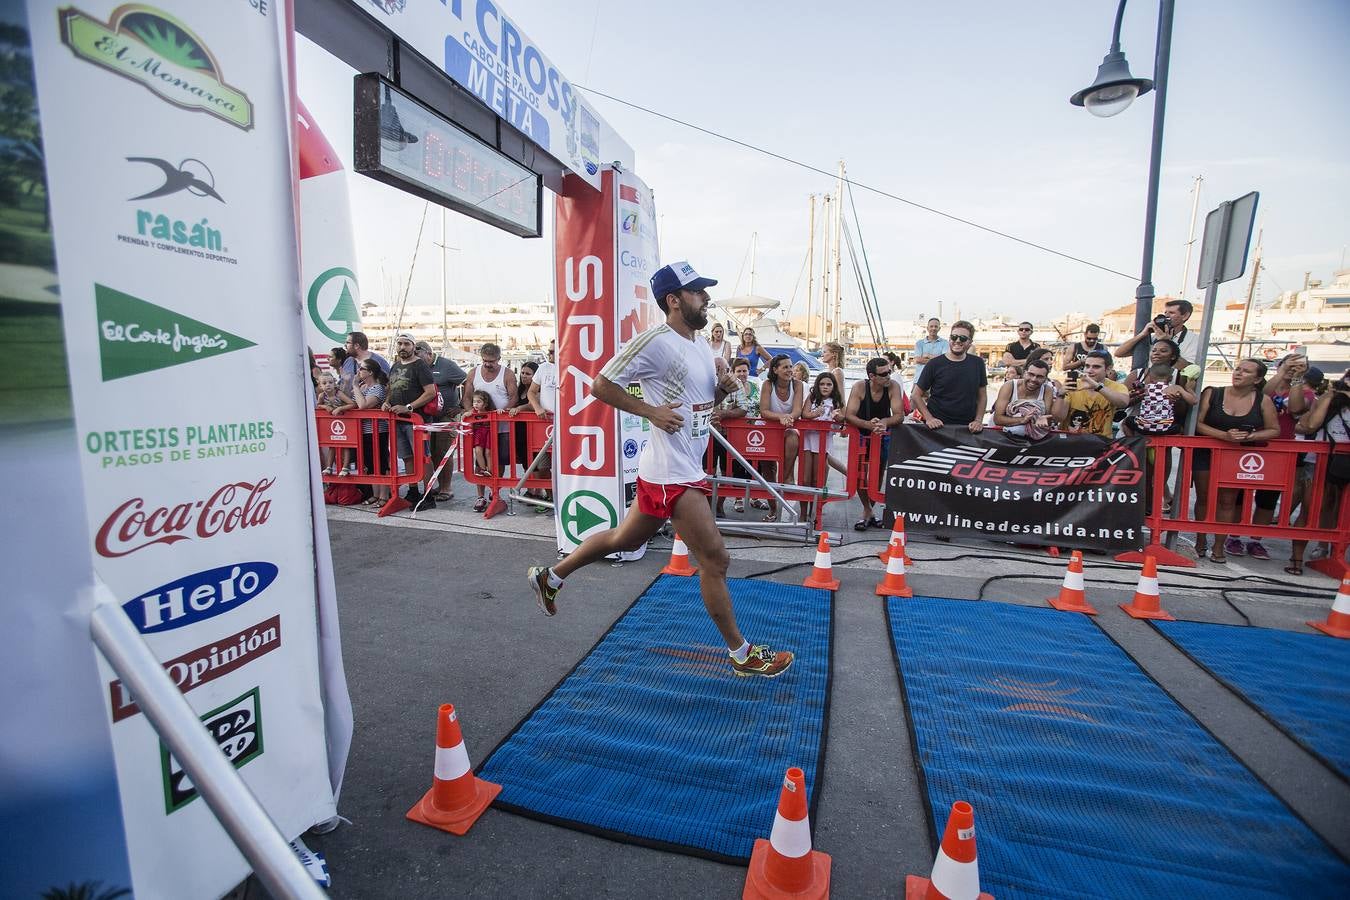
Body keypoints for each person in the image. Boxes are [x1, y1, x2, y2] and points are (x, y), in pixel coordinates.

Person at [526, 260, 794, 679]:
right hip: (673, 472)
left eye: (705, 291)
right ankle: (741, 654)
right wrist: (649, 410)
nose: (706, 298)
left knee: (622, 537)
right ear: (674, 300)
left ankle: (551, 576)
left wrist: (720, 391)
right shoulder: (655, 340)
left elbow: (699, 400)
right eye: (697, 292)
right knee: (715, 559)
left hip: (680, 466)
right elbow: (600, 384)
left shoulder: (701, 345)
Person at [1189, 359, 1280, 563]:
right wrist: (1222, 436)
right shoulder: (1213, 393)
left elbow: (1274, 429)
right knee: (1203, 498)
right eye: (1237, 369)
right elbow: (1197, 423)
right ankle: (1200, 540)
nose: (1238, 373)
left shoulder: (1262, 400)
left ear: (1257, 379)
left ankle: (1219, 546)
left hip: (1237, 455)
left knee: (1228, 501)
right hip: (1207, 452)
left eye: (1246, 371)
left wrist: (1249, 437)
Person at [1289, 373, 1350, 575]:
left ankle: (1331, 552)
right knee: (1311, 508)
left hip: (1344, 463)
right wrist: (1329, 398)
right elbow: (1310, 425)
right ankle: (1296, 559)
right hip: (1319, 461)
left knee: (1341, 510)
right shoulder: (1328, 399)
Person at [847, 356, 906, 531]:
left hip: (881, 433)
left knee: (878, 472)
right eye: (884, 374)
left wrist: (884, 423)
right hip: (861, 431)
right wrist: (868, 425)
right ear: (872, 376)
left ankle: (868, 511)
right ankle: (868, 511)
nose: (889, 376)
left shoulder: (893, 386)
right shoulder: (859, 386)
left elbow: (899, 415)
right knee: (859, 473)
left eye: (890, 371)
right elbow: (850, 414)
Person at [382, 332, 438, 509]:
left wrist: (409, 407)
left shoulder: (420, 365)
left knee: (423, 457)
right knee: (407, 457)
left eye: (406, 344)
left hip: (416, 420)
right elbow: (391, 387)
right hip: (398, 421)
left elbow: (430, 392)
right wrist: (387, 402)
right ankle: (413, 490)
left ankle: (428, 494)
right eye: (399, 344)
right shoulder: (395, 365)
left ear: (413, 346)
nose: (402, 347)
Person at [461, 342, 517, 509]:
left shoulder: (507, 374)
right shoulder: (473, 373)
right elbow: (467, 397)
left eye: (491, 361)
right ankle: (480, 496)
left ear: (499, 359)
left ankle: (495, 492)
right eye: (485, 360)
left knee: (499, 459)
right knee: (480, 459)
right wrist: (471, 412)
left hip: (502, 426)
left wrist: (504, 411)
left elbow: (513, 397)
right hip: (481, 426)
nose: (487, 364)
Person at [912, 320, 987, 434]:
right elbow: (916, 395)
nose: (957, 341)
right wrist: (929, 418)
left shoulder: (978, 363)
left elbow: (982, 396)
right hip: (937, 427)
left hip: (968, 427)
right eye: (954, 337)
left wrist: (978, 420)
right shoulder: (934, 364)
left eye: (962, 338)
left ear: (970, 342)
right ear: (949, 339)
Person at [416, 340, 466, 502]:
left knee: (444, 451)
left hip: (446, 416)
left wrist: (462, 406)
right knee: (432, 453)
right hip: (428, 416)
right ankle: (440, 484)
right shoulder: (418, 367)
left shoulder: (447, 366)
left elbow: (467, 382)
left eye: (419, 355)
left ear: (429, 354)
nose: (416, 358)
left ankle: (446, 487)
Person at [759, 354, 803, 522]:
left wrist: (789, 418)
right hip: (770, 428)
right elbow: (764, 411)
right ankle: (773, 509)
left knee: (792, 437)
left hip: (789, 428)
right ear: (775, 370)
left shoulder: (797, 384)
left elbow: (797, 409)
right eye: (785, 367)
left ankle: (787, 476)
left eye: (790, 366)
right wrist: (781, 417)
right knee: (768, 470)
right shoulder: (768, 384)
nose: (789, 370)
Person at [713, 358, 759, 515]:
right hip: (706, 436)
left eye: (723, 369)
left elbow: (743, 408)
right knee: (706, 471)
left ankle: (719, 506)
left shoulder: (735, 383)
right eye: (716, 369)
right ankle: (705, 509)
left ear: (728, 370)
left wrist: (723, 414)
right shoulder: (704, 381)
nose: (720, 372)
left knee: (728, 473)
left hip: (729, 436)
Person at [799, 371, 844, 523]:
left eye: (829, 384)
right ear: (817, 385)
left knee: (818, 480)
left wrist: (837, 418)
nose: (825, 387)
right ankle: (803, 514)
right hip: (808, 439)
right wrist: (815, 413)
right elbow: (804, 414)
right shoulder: (812, 397)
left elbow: (840, 426)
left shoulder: (836, 402)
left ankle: (815, 514)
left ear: (833, 386)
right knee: (805, 479)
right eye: (822, 384)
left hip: (824, 442)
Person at [992, 357, 1066, 439]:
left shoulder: (1047, 390)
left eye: (1039, 377)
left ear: (1045, 379)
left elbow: (1050, 418)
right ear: (1024, 373)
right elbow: (997, 419)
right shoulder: (1009, 386)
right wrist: (1022, 420)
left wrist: (1061, 395)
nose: (1033, 379)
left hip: (1033, 438)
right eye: (1031, 374)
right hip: (1005, 437)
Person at [1113, 299, 1200, 368]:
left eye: (1172, 313)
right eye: (1165, 312)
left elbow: (1188, 368)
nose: (1166, 316)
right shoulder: (1155, 337)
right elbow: (1119, 353)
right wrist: (1142, 334)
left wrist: (1167, 343)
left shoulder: (1193, 339)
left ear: (1185, 316)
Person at [1061, 350, 1128, 437]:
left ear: (1108, 369)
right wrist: (1060, 395)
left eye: (1096, 367)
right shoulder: (1074, 384)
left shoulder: (1116, 387)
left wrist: (1097, 386)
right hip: (1071, 440)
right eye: (1087, 366)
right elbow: (1059, 417)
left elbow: (1123, 403)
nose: (1089, 370)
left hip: (1102, 443)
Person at [353, 359, 390, 506]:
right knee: (370, 462)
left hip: (378, 430)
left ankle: (384, 495)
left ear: (370, 372)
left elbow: (363, 405)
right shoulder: (363, 387)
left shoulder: (378, 388)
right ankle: (375, 494)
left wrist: (355, 386)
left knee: (380, 462)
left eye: (362, 368)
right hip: (364, 431)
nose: (359, 371)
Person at [467, 390, 496, 484]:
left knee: (488, 452)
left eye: (479, 402)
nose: (476, 404)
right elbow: (465, 416)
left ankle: (490, 472)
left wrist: (499, 411)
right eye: (474, 401)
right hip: (479, 433)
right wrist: (466, 414)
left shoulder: (490, 412)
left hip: (488, 433)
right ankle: (483, 469)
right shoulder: (473, 413)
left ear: (485, 404)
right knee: (478, 450)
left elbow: (496, 413)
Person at [912, 318, 948, 384]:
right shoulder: (919, 343)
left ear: (939, 328)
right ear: (927, 328)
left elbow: (944, 360)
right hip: (920, 380)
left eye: (936, 326)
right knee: (915, 394)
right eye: (931, 326)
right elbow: (917, 360)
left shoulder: (945, 343)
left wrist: (928, 355)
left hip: (938, 380)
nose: (933, 328)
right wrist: (937, 361)